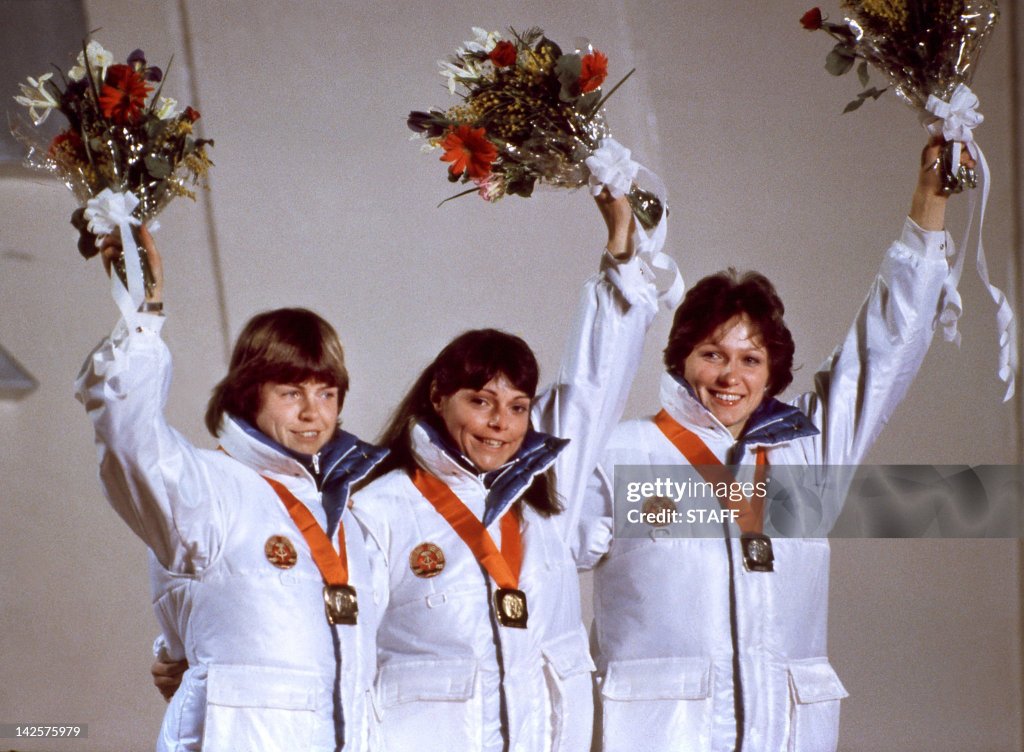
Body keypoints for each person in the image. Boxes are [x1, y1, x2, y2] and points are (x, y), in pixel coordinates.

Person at [575, 137, 970, 752]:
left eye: (750, 359)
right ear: (681, 358)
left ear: (772, 370)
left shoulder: (806, 455)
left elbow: (885, 349)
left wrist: (930, 203)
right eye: (712, 355)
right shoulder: (622, 453)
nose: (730, 377)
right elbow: (544, 563)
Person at [348, 189, 671, 752]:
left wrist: (621, 258)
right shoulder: (378, 511)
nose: (500, 423)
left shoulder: (546, 498)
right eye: (480, 401)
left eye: (518, 407)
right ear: (438, 396)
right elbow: (342, 658)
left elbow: (593, 385)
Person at [76, 228, 387, 751]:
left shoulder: (348, 517)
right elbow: (130, 440)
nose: (313, 413)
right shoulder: (210, 487)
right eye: (291, 393)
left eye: (327, 393)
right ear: (248, 393)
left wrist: (179, 648)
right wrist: (141, 319)